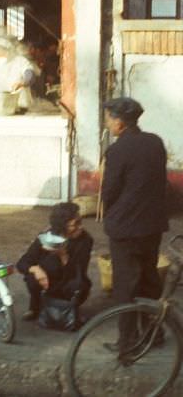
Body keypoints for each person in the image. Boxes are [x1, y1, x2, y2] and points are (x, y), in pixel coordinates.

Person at [101, 97, 168, 352]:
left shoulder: (117, 150)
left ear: (119, 122)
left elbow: (109, 192)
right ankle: (154, 332)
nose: (107, 124)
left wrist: (113, 214)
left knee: (126, 285)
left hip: (126, 228)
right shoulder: (155, 143)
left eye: (109, 119)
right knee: (149, 279)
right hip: (152, 225)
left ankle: (127, 341)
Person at [17, 202, 93, 322]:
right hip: (47, 281)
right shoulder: (46, 238)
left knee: (79, 285)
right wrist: (36, 270)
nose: (80, 227)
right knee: (32, 277)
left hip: (68, 283)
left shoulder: (85, 240)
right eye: (75, 224)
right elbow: (22, 263)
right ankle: (36, 307)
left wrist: (63, 255)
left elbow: (79, 271)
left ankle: (70, 309)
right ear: (62, 226)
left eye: (80, 221)